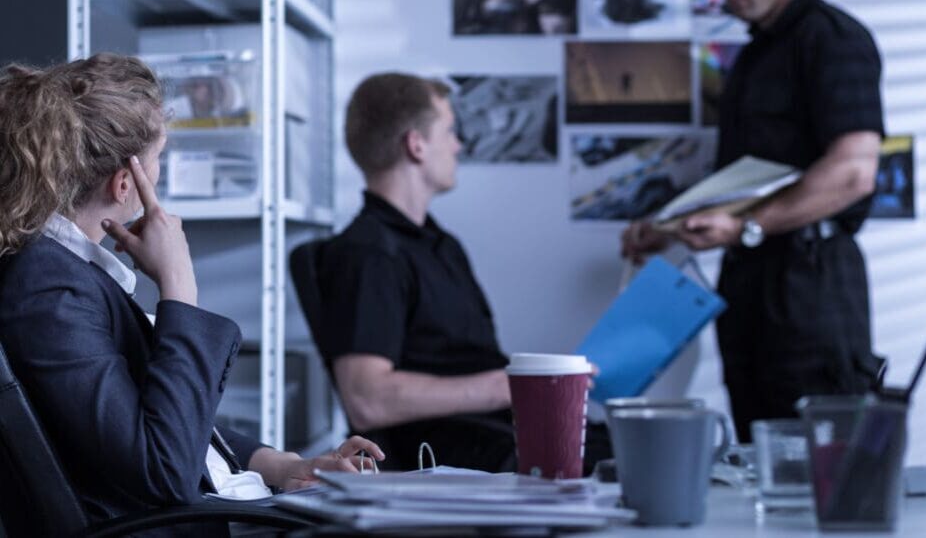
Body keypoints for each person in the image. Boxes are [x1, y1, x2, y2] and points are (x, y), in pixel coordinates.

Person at [0, 54, 383, 531]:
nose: (161, 171)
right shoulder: (50, 290)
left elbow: (171, 421)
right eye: (160, 156)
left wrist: (286, 467)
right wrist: (178, 285)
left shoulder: (70, 273)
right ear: (125, 182)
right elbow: (163, 469)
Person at [621, 0, 885, 443]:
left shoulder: (832, 38)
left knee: (819, 467)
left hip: (811, 285)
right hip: (751, 284)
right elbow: (748, 180)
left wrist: (745, 228)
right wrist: (666, 229)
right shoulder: (756, 53)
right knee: (757, 455)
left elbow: (854, 171)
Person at [310, 72, 610, 471]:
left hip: (498, 433)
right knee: (623, 459)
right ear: (416, 145)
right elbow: (367, 398)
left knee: (627, 440)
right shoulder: (368, 254)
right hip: (456, 452)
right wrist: (513, 387)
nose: (458, 144)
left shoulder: (441, 245)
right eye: (449, 131)